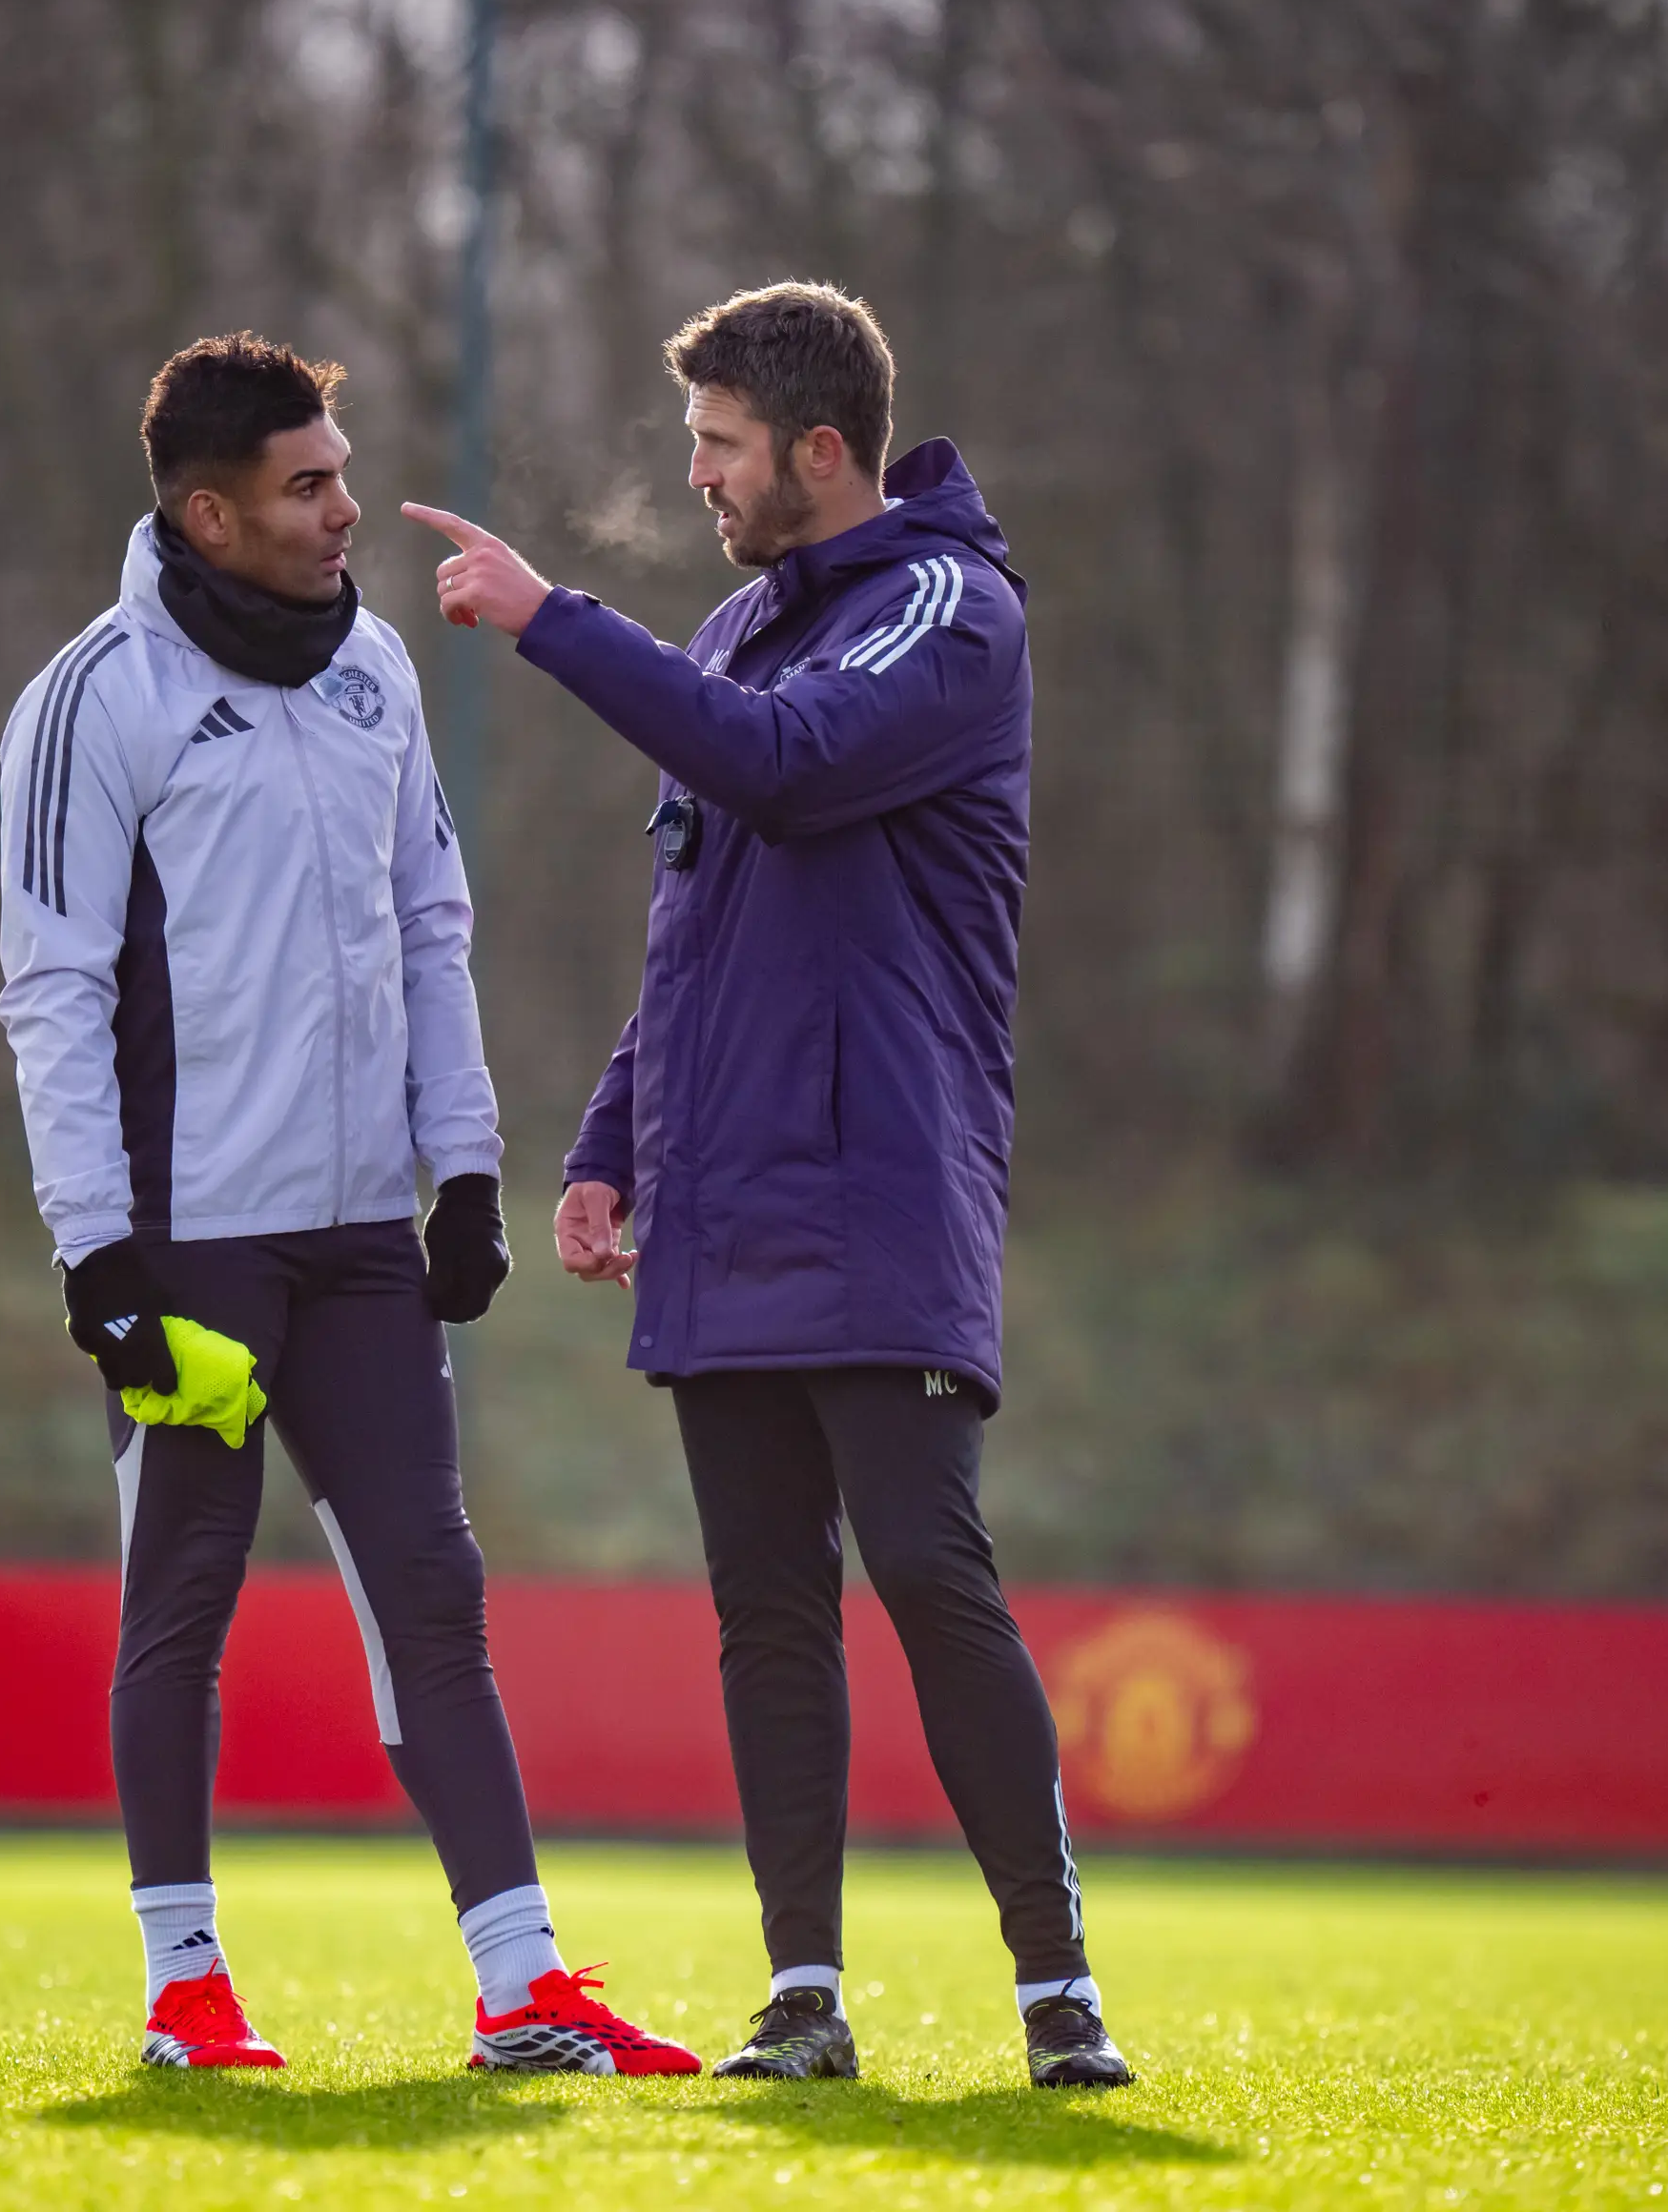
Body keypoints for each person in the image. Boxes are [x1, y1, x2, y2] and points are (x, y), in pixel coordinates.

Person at [402, 282, 1131, 2089]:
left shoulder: (955, 610)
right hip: (724, 1208)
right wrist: (612, 1140)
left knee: (928, 1569)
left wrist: (555, 620)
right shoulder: (736, 627)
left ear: (820, 449)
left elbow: (791, 776)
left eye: (722, 446)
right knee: (764, 1609)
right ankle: (801, 1998)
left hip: (880, 1188)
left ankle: (1060, 1997)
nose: (702, 476)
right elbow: (701, 925)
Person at [0, 332, 697, 2079]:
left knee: (436, 1597)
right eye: (309, 484)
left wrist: (461, 1167)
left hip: (365, 1239)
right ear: (206, 510)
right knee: (186, 1599)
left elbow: (431, 923)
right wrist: (98, 1257)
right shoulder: (95, 699)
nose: (346, 508)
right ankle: (184, 1992)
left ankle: (525, 1989)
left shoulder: (378, 665)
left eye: (343, 468)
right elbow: (52, 995)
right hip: (192, 1248)